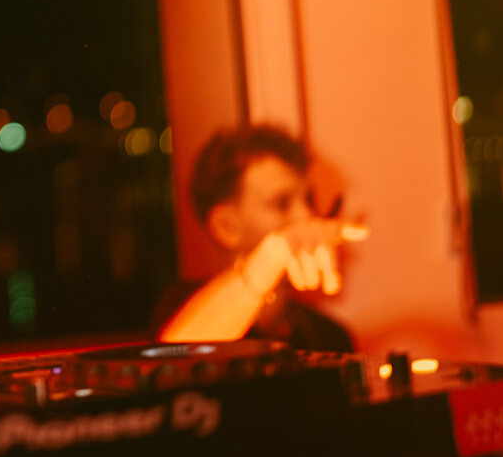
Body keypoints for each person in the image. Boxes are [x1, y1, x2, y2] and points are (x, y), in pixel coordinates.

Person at [155, 124, 364, 352]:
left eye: (309, 200)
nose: (308, 216)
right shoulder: (179, 309)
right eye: (281, 203)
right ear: (226, 228)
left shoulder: (330, 337)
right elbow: (173, 358)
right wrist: (268, 262)